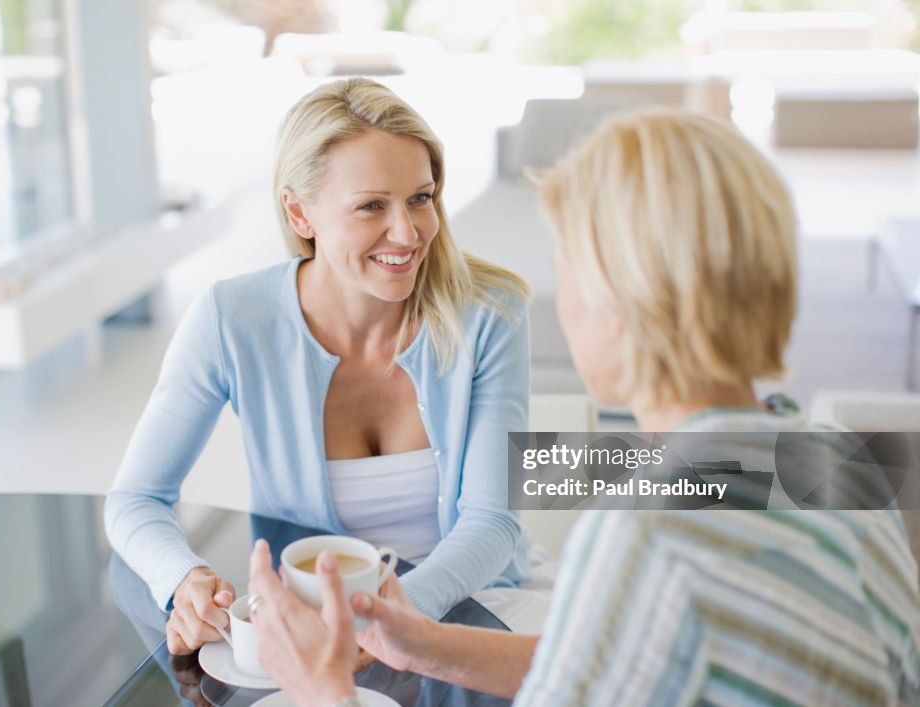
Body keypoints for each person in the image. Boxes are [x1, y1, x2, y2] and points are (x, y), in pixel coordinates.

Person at [246, 108, 920, 706]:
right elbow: (617, 655)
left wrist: (321, 689)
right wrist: (422, 644)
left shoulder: (649, 536)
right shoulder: (832, 459)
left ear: (622, 305)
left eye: (565, 268)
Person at [103, 77, 534, 655]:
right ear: (299, 212)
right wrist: (184, 581)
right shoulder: (231, 319)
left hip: (469, 609)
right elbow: (135, 499)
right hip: (310, 631)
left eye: (420, 198)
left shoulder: (488, 314)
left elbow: (493, 520)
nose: (407, 233)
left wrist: (395, 619)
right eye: (371, 206)